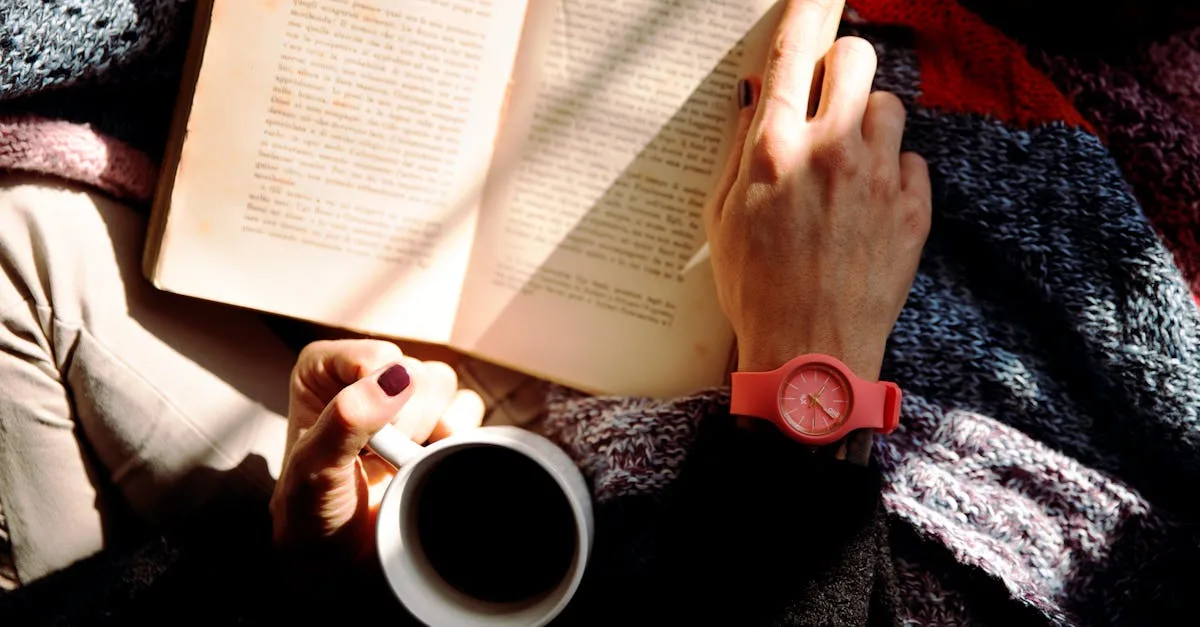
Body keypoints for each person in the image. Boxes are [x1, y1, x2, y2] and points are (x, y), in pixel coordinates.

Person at [0, 0, 929, 623]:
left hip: (480, 540)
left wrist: (304, 567)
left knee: (23, 234)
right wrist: (815, 370)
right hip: (661, 474)